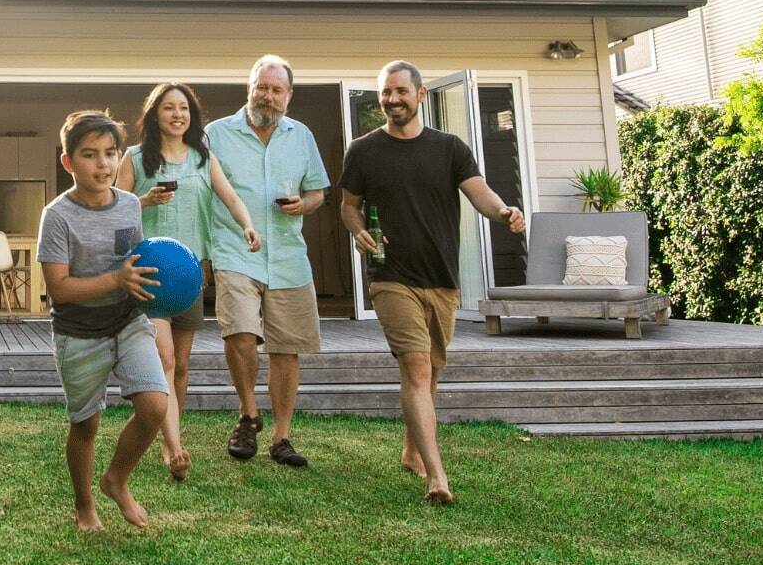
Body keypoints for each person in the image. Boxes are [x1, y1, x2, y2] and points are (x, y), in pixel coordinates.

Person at [338, 60, 526, 506]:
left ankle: (409, 450)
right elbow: (348, 204)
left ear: (421, 96)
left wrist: (503, 212)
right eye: (386, 92)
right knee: (417, 366)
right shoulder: (363, 151)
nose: (392, 100)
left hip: (442, 278)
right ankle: (436, 476)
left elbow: (480, 192)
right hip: (391, 277)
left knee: (430, 371)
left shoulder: (449, 148)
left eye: (401, 91)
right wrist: (358, 229)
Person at [115, 81, 261, 481]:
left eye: (183, 108)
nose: (177, 114)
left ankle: (165, 436)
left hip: (190, 273)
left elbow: (229, 196)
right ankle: (175, 447)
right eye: (168, 108)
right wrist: (144, 202)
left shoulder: (201, 156)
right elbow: (111, 206)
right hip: (149, 273)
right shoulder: (135, 158)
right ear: (154, 115)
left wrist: (247, 225)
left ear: (191, 116)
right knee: (163, 359)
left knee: (181, 365)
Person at [36, 109, 172, 531]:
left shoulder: (130, 205)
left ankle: (117, 479)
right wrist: (116, 278)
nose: (103, 164)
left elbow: (136, 263)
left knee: (154, 406)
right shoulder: (56, 217)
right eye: (90, 155)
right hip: (78, 332)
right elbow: (59, 287)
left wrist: (157, 292)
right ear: (68, 162)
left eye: (111, 153)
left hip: (127, 321)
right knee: (86, 424)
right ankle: (84, 504)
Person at [204, 54, 331, 468]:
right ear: (249, 88)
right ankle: (248, 413)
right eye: (262, 87)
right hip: (234, 249)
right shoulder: (216, 134)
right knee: (239, 332)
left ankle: (281, 437)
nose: (269, 96)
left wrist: (304, 204)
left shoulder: (301, 136)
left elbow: (318, 193)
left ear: (289, 95)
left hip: (289, 255)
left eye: (277, 90)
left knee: (286, 348)